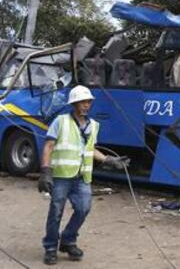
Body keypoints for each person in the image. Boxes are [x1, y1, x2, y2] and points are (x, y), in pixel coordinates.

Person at [38, 85, 130, 265]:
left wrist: (110, 160)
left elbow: (90, 149)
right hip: (61, 176)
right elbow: (49, 146)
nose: (86, 105)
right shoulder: (61, 121)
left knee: (83, 208)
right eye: (82, 102)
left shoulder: (94, 126)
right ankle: (50, 247)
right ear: (74, 103)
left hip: (82, 177)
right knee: (56, 211)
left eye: (88, 101)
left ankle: (68, 240)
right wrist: (45, 171)